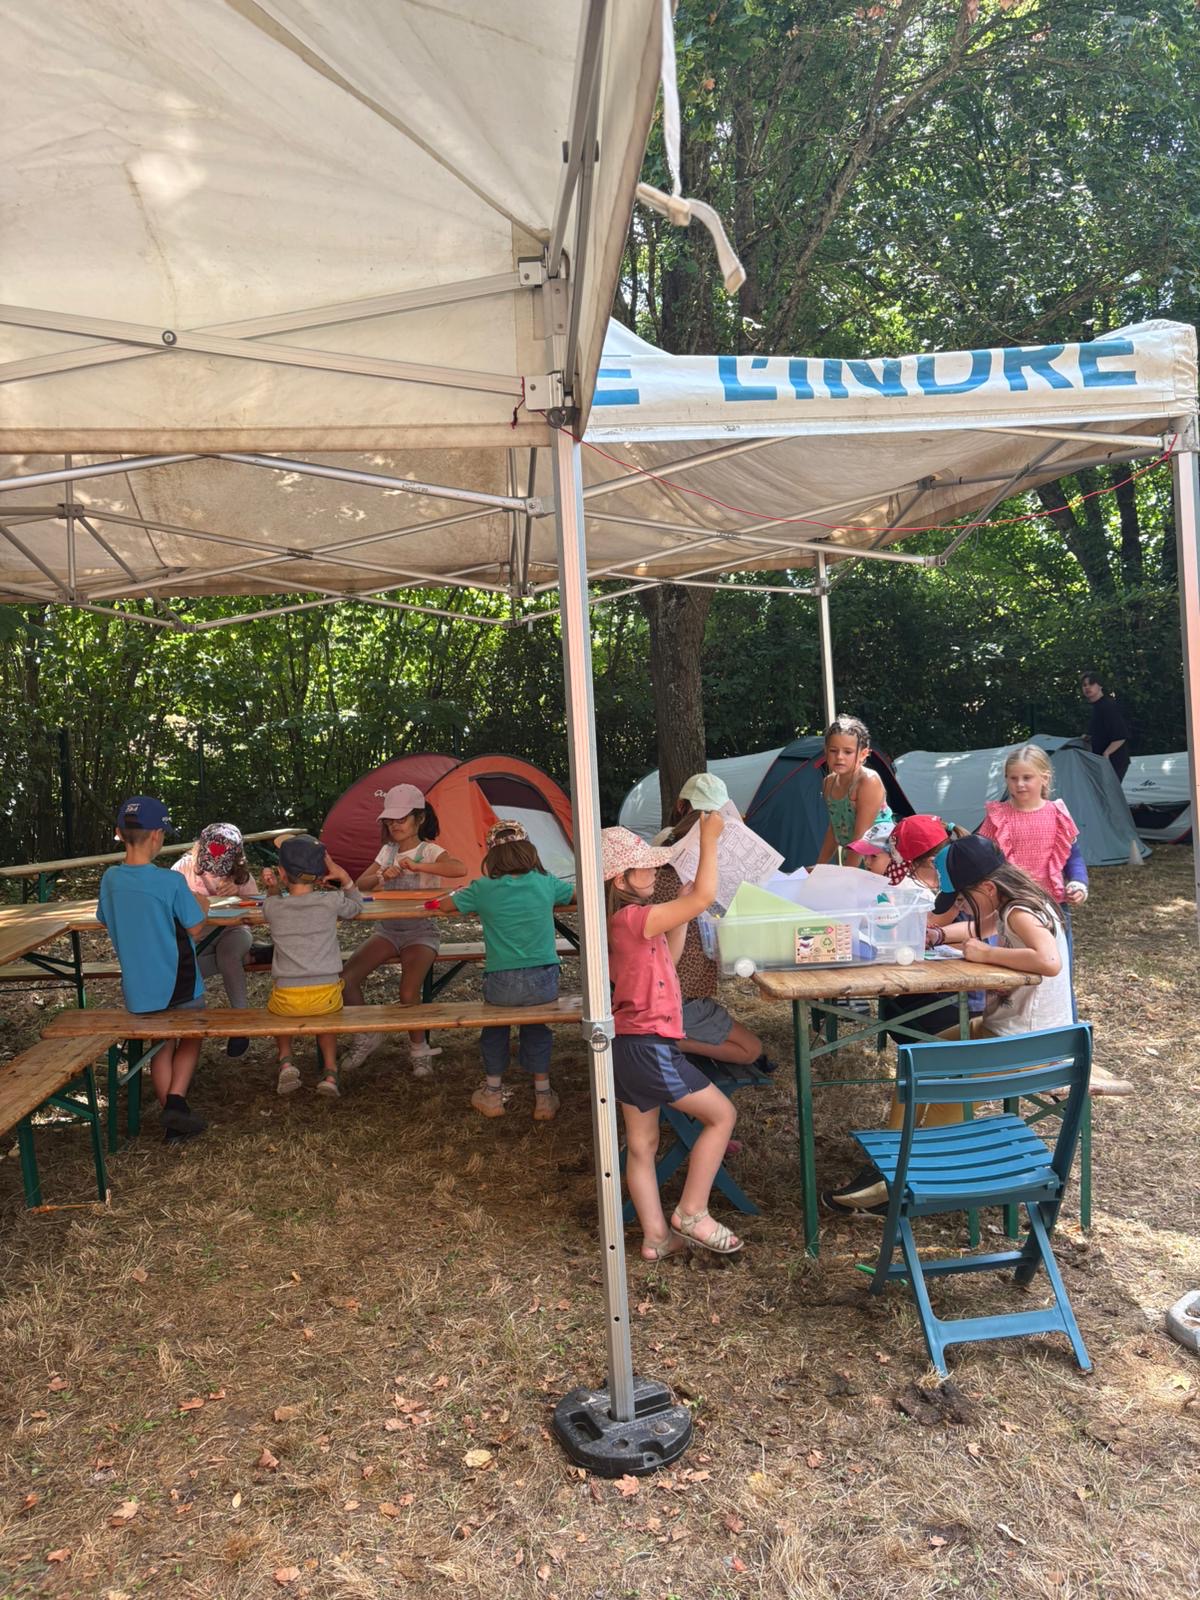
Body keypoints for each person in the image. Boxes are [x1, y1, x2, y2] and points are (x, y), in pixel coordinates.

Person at [826, 834, 1129, 1214]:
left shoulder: (1019, 912)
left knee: (943, 1087)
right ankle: (891, 1162)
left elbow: (1048, 960)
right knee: (917, 1058)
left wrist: (986, 954)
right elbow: (974, 929)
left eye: (963, 899)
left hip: (1025, 1044)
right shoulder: (1016, 901)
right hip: (1012, 1031)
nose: (962, 908)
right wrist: (937, 935)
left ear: (986, 888)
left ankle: (908, 1180)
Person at [603, 817, 744, 1259]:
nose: (653, 870)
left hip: (627, 1044)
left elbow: (672, 955)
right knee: (721, 1115)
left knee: (642, 1145)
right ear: (621, 880)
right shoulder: (635, 919)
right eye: (644, 866)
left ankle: (656, 1237)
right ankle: (693, 1212)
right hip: (649, 1045)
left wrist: (682, 911)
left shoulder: (626, 923)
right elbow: (704, 896)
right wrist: (709, 840)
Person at [428, 819, 574, 1122]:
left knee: (495, 1028)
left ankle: (493, 1093)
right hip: (543, 980)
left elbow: (444, 907)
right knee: (538, 1027)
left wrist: (447, 898)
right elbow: (574, 896)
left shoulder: (482, 889)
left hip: (501, 980)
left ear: (491, 856)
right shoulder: (546, 883)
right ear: (529, 851)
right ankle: (543, 1096)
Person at [96, 796, 208, 1142]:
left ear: (119, 833)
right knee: (192, 1034)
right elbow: (195, 927)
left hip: (139, 988)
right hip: (180, 982)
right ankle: (175, 1101)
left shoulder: (110, 879)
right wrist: (203, 904)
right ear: (158, 835)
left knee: (161, 1044)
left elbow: (104, 917)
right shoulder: (169, 882)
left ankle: (174, 1121)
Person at [340, 784, 466, 1077]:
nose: (394, 825)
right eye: (389, 820)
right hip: (387, 931)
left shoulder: (430, 850)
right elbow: (360, 884)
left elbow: (458, 868)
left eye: (401, 819)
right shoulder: (387, 851)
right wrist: (381, 876)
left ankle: (419, 1049)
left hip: (421, 932)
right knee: (346, 979)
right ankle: (366, 1035)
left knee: (408, 991)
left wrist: (420, 868)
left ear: (419, 819)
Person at [651, 772, 772, 1074]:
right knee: (751, 1050)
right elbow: (703, 899)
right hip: (680, 992)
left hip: (672, 986)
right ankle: (670, 1042)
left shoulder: (662, 844)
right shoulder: (688, 858)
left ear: (681, 806)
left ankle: (670, 1036)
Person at [261, 836, 364, 1098]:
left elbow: (272, 902)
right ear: (320, 874)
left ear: (282, 872)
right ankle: (330, 1073)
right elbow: (356, 907)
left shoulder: (273, 906)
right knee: (326, 1022)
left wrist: (272, 888)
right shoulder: (331, 901)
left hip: (287, 997)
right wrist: (345, 878)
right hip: (326, 994)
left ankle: (286, 1061)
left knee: (276, 1012)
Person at [173, 822, 259, 1059]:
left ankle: (240, 1023)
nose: (214, 871)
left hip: (234, 931)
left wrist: (239, 893)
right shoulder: (183, 868)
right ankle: (185, 1024)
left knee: (228, 956)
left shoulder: (242, 876)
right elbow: (168, 902)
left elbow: (256, 912)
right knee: (188, 967)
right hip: (199, 935)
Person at [978, 746, 1088, 909]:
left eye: (1027, 777)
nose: (1019, 784)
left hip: (1053, 903)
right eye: (1013, 778)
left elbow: (1073, 856)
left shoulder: (1059, 814)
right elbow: (982, 857)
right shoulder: (997, 816)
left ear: (1045, 778)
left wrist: (1078, 883)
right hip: (1009, 902)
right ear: (1006, 779)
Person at [813, 714, 892, 869]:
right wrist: (819, 867)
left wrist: (847, 874)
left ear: (863, 754)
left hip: (878, 860)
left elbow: (861, 837)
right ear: (826, 752)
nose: (839, 757)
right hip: (852, 856)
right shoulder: (828, 783)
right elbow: (834, 829)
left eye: (848, 752)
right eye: (833, 750)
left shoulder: (868, 781)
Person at [1081, 672, 1132, 781]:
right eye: (1084, 685)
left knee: (1108, 791)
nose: (1087, 687)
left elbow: (1121, 736)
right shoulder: (1094, 707)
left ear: (1100, 686)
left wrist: (1106, 753)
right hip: (1100, 761)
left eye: (1091, 684)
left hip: (1113, 762)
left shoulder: (1108, 706)